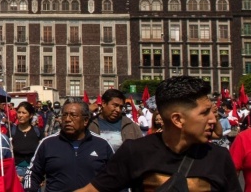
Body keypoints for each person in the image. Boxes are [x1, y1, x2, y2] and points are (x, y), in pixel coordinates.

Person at [75, 75, 241, 192]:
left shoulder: (219, 157)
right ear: (177, 119)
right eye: (205, 113)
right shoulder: (136, 152)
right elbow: (93, 189)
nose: (213, 119)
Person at [23, 99, 113, 192]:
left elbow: (116, 177)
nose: (67, 119)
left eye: (73, 115)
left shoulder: (102, 145)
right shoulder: (47, 143)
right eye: (64, 115)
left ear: (85, 120)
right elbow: (32, 174)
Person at [8, 101, 42, 177]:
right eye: (19, 112)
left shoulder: (37, 132)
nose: (20, 115)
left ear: (30, 115)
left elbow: (42, 154)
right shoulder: (11, 132)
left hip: (33, 170)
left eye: (24, 113)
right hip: (16, 171)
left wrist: (41, 175)